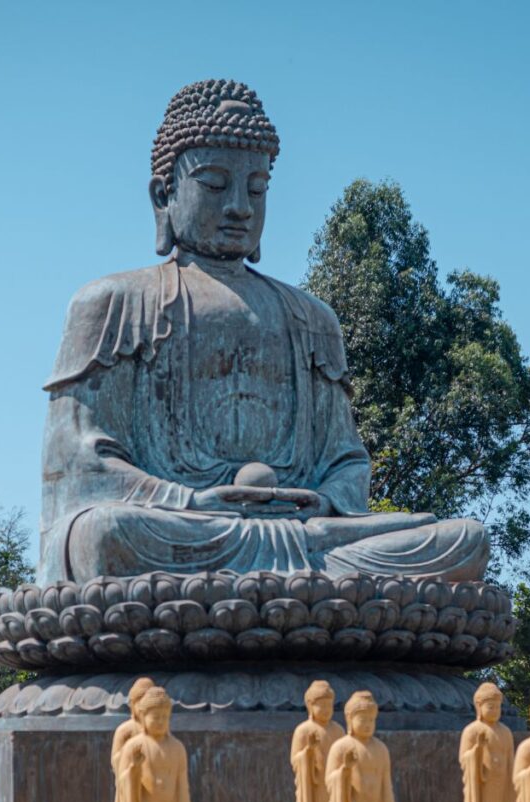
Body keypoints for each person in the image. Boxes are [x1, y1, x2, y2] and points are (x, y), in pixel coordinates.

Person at [39, 79, 488, 585]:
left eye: (256, 189)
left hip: (306, 530)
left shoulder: (310, 318)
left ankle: (283, 578)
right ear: (164, 197)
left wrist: (323, 500)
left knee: (462, 539)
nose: (240, 207)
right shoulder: (115, 302)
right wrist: (190, 501)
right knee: (104, 534)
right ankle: (302, 587)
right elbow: (78, 464)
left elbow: (345, 461)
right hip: (183, 527)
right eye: (215, 184)